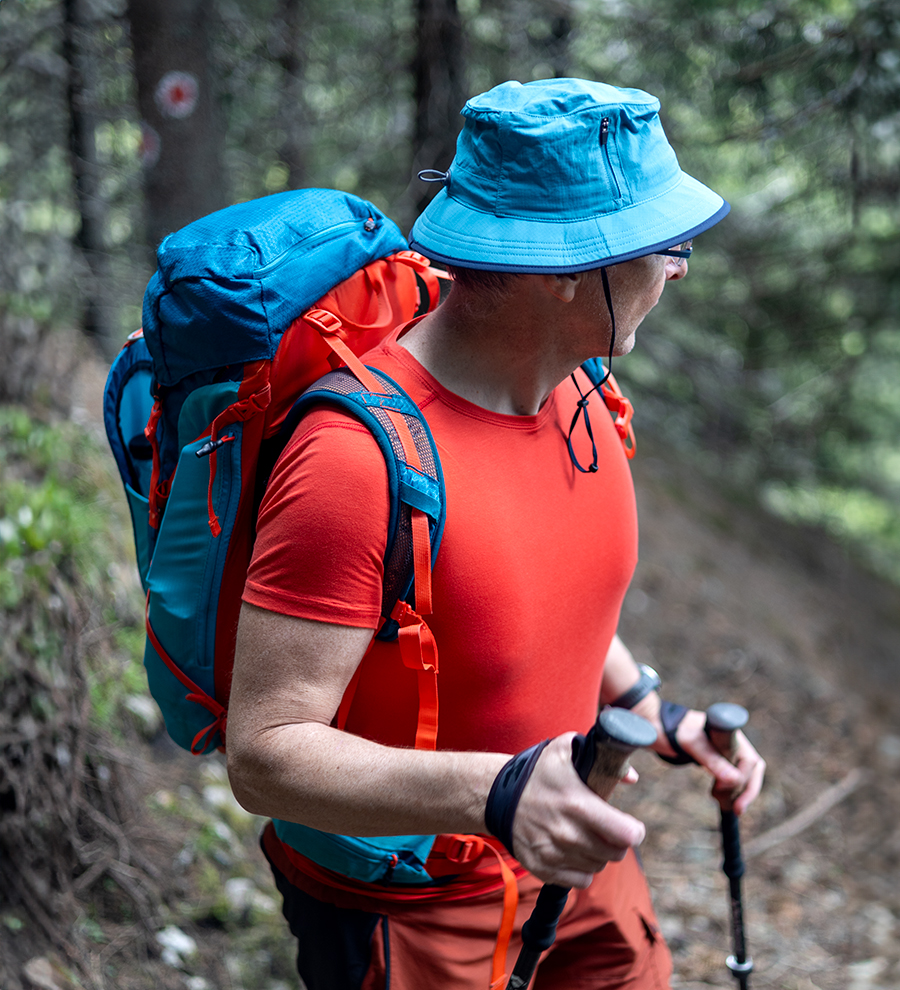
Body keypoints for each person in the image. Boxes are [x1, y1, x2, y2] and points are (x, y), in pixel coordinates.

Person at [226, 78, 766, 990]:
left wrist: (653, 713)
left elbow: (531, 596)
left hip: (576, 862)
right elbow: (266, 753)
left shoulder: (582, 391)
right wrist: (501, 793)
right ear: (563, 275)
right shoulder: (354, 463)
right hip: (417, 916)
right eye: (662, 245)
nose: (677, 267)